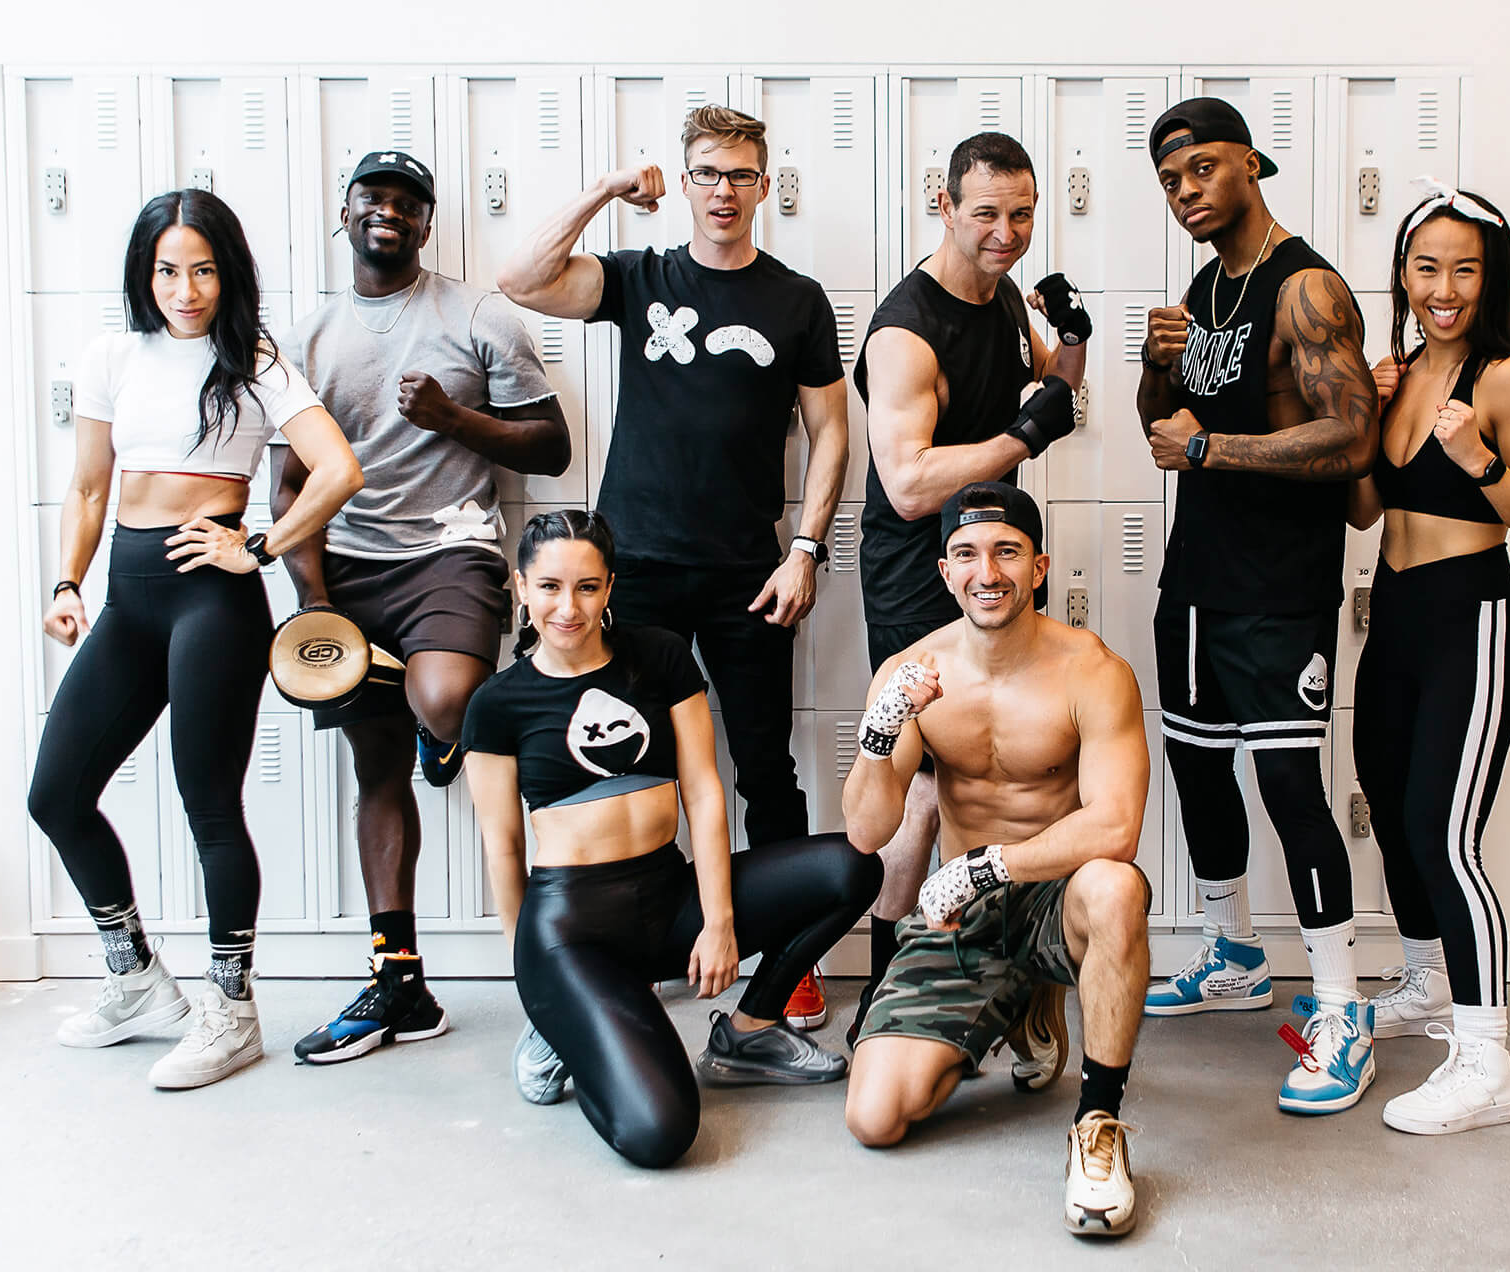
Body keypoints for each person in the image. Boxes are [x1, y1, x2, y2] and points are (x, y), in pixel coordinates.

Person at [497, 105, 849, 1030]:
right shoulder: (639, 275)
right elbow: (521, 277)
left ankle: (784, 966)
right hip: (636, 568)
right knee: (627, 766)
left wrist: (806, 550)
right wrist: (609, 190)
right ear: (685, 183)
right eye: (706, 174)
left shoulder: (797, 299)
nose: (723, 192)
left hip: (747, 570)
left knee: (765, 768)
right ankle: (635, 943)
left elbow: (831, 433)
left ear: (765, 186)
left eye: (740, 175)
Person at [28, 190, 362, 1088]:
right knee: (55, 794)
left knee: (208, 805)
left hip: (212, 603)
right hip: (128, 599)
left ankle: (232, 1008)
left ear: (229, 273)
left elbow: (339, 470)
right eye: (169, 269)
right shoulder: (113, 355)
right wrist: (66, 581)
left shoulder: (251, 360)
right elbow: (91, 488)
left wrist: (257, 544)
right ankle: (134, 975)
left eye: (204, 269)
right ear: (146, 272)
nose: (186, 288)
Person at [462, 510, 882, 1168]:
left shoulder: (657, 656)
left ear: (610, 588)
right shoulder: (497, 703)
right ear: (520, 588)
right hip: (574, 931)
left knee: (850, 869)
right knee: (660, 1133)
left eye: (587, 587)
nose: (567, 608)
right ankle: (567, 1026)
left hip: (669, 897)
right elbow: (503, 847)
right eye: (548, 587)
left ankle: (749, 1033)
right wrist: (536, 986)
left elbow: (706, 792)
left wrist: (718, 923)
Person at [271, 150, 570, 1064]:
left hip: (451, 549)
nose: (388, 213)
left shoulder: (478, 315)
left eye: (408, 203)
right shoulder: (312, 336)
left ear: (428, 223)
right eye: (373, 198)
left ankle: (441, 733)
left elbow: (551, 447)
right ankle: (399, 980)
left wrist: (456, 421)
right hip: (350, 568)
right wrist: (314, 600)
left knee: (445, 699)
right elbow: (290, 486)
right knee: (374, 773)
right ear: (347, 213)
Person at [1135, 98, 1381, 1114]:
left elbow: (1352, 437)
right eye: (1168, 181)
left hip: (1277, 588)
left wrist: (1210, 449)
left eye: (1199, 169)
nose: (1185, 191)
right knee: (1196, 771)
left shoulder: (1304, 287)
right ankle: (1231, 952)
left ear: (1249, 161)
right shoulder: (1206, 288)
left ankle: (1339, 1006)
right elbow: (1167, 428)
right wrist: (1157, 373)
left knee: (1287, 785)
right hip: (1194, 579)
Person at [843, 482, 1153, 1238]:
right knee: (875, 1116)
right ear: (944, 572)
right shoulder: (911, 671)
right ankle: (1014, 1002)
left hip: (1049, 894)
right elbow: (864, 829)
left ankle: (1099, 1124)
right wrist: (884, 731)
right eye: (968, 554)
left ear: (1039, 567)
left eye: (1008, 552)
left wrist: (988, 867)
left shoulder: (1092, 671)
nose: (989, 572)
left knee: (1115, 890)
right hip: (965, 921)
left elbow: (1115, 827)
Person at [851, 131, 1090, 1049]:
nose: (1005, 232)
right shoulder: (907, 332)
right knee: (919, 785)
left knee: (1027, 767)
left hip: (989, 553)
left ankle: (1020, 980)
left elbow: (1051, 398)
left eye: (1021, 213)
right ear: (941, 204)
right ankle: (884, 990)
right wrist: (1022, 438)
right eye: (985, 212)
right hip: (920, 569)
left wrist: (1068, 343)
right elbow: (910, 484)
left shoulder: (997, 301)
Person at [1348, 183, 1510, 1134]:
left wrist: (1480, 459)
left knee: (1444, 833)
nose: (1444, 288)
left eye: (1464, 269)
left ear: (1493, 277)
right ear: (1403, 272)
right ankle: (1430, 985)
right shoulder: (1397, 369)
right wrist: (1365, 419)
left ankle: (1488, 1062)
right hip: (1392, 611)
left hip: (1467, 617)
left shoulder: (1508, 377)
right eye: (1427, 267)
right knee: (1392, 814)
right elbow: (1364, 510)